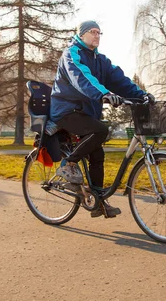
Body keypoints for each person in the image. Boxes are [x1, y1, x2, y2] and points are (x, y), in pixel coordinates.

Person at [50, 20, 154, 218]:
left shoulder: (101, 60)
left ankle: (98, 202)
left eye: (99, 32)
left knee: (98, 155)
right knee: (100, 131)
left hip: (86, 113)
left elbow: (119, 80)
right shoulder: (72, 54)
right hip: (66, 110)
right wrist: (104, 94)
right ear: (81, 35)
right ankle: (68, 165)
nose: (97, 36)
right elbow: (82, 77)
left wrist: (142, 95)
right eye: (92, 32)